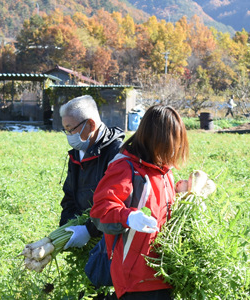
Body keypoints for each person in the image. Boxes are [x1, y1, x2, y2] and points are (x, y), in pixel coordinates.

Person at [90, 105, 189, 300]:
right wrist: (128, 216)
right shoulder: (126, 168)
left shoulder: (164, 172)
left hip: (163, 272)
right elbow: (100, 210)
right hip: (135, 279)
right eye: (172, 144)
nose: (175, 150)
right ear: (157, 141)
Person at [58, 95, 125, 249]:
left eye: (71, 129)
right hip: (84, 239)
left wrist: (89, 230)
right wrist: (67, 228)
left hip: (108, 242)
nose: (69, 136)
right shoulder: (76, 153)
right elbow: (70, 195)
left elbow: (117, 202)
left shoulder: (117, 154)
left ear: (91, 124)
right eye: (65, 130)